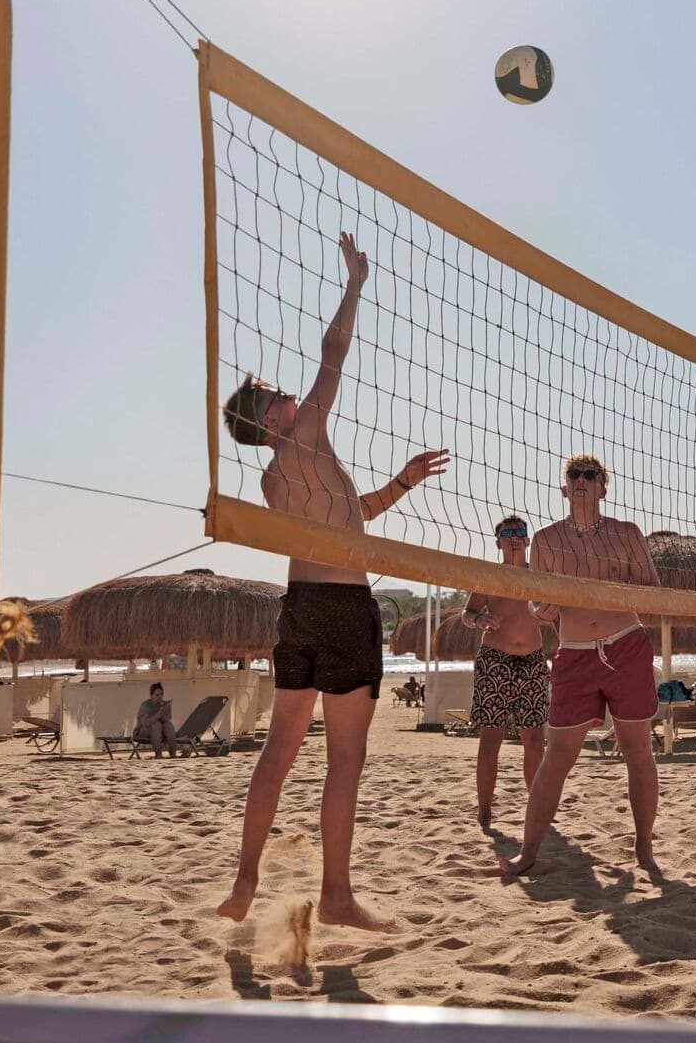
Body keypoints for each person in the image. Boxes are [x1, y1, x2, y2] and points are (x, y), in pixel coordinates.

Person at [216, 231, 451, 929]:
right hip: (345, 608)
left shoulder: (274, 475)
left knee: (280, 749)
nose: (286, 390)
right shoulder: (306, 435)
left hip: (301, 607)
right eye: (271, 392)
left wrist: (401, 484)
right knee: (345, 757)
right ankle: (337, 897)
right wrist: (355, 282)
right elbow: (333, 354)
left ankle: (244, 880)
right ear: (270, 419)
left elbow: (347, 523)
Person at [499, 453, 663, 879]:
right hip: (574, 651)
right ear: (564, 487)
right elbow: (539, 608)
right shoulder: (547, 540)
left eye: (591, 475)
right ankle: (528, 850)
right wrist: (546, 606)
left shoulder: (627, 534)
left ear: (604, 487)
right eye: (575, 474)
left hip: (625, 645)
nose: (583, 480)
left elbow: (652, 591)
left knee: (638, 751)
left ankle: (644, 847)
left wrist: (610, 589)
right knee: (558, 755)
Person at [459, 516, 550, 829]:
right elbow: (467, 613)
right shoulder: (489, 575)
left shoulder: (539, 576)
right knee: (491, 739)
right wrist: (478, 620)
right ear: (497, 541)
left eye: (520, 533)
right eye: (508, 533)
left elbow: (555, 612)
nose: (515, 537)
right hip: (495, 659)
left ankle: (536, 805)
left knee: (535, 741)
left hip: (534, 659)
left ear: (527, 540)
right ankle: (485, 810)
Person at [136, 682, 178, 757]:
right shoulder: (146, 705)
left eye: (161, 694)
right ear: (151, 695)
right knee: (156, 725)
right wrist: (160, 713)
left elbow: (167, 719)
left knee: (169, 725)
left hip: (159, 732)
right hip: (142, 731)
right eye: (157, 695)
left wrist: (167, 710)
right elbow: (146, 723)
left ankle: (173, 754)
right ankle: (158, 755)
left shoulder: (163, 704)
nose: (160, 697)